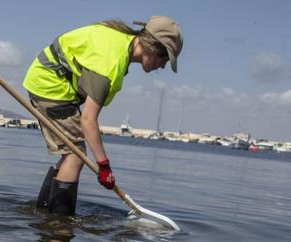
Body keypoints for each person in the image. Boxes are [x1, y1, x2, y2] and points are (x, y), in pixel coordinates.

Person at [23, 16, 183, 216]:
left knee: (70, 155)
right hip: (50, 85)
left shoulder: (121, 41)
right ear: (152, 48)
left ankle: (44, 213)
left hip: (49, 80)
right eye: (165, 59)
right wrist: (104, 167)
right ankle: (59, 228)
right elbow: (88, 120)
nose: (163, 66)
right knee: (75, 157)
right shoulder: (110, 63)